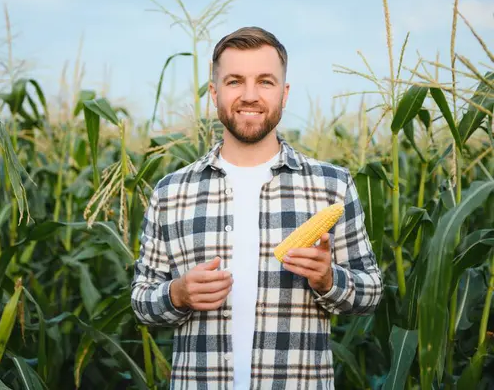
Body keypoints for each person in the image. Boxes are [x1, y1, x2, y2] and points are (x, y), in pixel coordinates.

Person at [131, 26, 383, 390]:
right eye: (235, 81)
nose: (250, 95)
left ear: (284, 92)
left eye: (265, 82)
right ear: (214, 93)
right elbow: (141, 301)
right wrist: (178, 294)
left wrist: (328, 280)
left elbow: (371, 291)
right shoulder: (171, 192)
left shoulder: (333, 186)